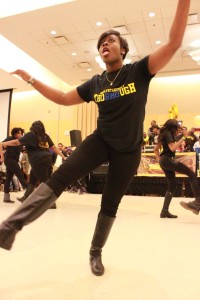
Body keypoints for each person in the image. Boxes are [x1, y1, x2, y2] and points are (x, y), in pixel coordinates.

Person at [0, 0, 190, 276]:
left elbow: (173, 43)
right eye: (101, 42)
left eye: (111, 40)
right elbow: (64, 99)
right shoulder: (96, 83)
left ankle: (95, 251)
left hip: (129, 150)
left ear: (122, 49)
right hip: (100, 140)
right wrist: (31, 80)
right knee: (59, 177)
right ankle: (10, 227)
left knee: (110, 203)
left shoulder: (137, 72)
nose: (105, 44)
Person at [1, 121, 66, 209]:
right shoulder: (45, 136)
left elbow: (16, 142)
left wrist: (4, 143)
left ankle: (51, 203)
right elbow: (53, 147)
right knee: (32, 178)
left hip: (37, 160)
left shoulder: (30, 135)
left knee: (45, 182)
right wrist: (63, 156)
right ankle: (25, 197)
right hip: (47, 159)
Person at [154, 119, 200, 218]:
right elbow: (172, 148)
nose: (177, 130)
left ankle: (164, 211)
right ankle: (198, 201)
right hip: (168, 159)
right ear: (173, 127)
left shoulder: (164, 134)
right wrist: (184, 136)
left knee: (172, 186)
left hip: (164, 161)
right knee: (191, 174)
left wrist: (159, 159)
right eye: (176, 128)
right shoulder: (168, 134)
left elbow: (156, 149)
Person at [2, 127, 28, 203]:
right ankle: (30, 193)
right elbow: (1, 144)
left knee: (8, 178)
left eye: (20, 133)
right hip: (9, 159)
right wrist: (2, 156)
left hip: (14, 160)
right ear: (14, 133)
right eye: (18, 133)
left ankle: (6, 198)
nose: (20, 134)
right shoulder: (10, 138)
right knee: (20, 175)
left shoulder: (21, 141)